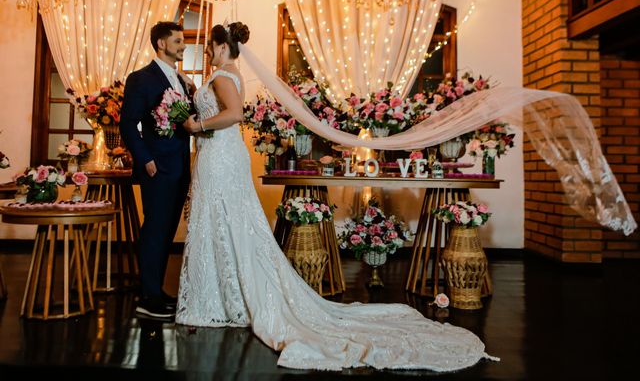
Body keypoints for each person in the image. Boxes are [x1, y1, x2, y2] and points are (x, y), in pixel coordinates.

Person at [177, 22, 497, 371]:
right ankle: (225, 294)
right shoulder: (226, 73)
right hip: (219, 158)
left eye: (210, 45)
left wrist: (198, 126)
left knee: (227, 222)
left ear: (223, 46)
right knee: (225, 223)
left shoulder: (223, 75)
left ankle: (223, 298)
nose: (206, 51)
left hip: (220, 157)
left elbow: (235, 113)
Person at [120, 21, 195, 320]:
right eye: (178, 40)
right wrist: (144, 159)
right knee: (153, 232)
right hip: (157, 168)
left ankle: (157, 291)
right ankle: (146, 298)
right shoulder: (141, 79)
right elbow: (127, 124)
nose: (183, 45)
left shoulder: (180, 79)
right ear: (161, 44)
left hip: (179, 168)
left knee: (165, 234)